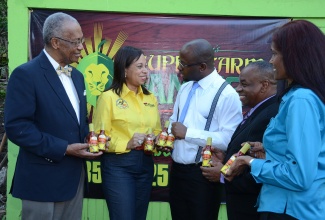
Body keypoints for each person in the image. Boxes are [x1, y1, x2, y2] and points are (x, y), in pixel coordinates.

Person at [4, 12, 103, 220]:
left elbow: (76, 122)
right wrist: (64, 149)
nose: (80, 47)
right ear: (55, 42)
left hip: (74, 180)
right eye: (75, 41)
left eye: (81, 41)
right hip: (42, 181)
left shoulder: (77, 76)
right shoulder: (26, 74)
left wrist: (90, 139)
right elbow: (17, 127)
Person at [226, 20, 325, 220]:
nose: (271, 61)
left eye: (275, 54)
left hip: (292, 210)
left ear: (294, 57)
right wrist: (268, 151)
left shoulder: (301, 100)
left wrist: (250, 162)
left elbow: (299, 175)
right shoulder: (296, 97)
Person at [168, 39, 243, 220]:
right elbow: (174, 123)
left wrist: (188, 133)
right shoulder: (185, 88)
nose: (179, 68)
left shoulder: (226, 94)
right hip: (177, 172)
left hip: (203, 176)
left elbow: (229, 140)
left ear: (202, 66)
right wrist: (166, 137)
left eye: (183, 64)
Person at [201, 61, 279, 220]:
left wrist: (223, 176)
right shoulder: (259, 110)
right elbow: (248, 155)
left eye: (244, 84)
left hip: (252, 209)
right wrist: (227, 159)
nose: (238, 89)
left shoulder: (272, 114)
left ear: (264, 85)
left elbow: (263, 170)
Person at [92, 45, 161, 220]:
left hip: (146, 164)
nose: (145, 71)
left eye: (146, 66)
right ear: (124, 70)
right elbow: (99, 139)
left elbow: (158, 130)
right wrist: (127, 143)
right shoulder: (108, 97)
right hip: (118, 166)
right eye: (139, 66)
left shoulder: (150, 97)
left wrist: (158, 138)